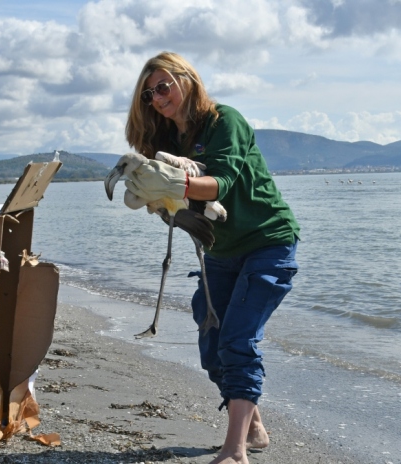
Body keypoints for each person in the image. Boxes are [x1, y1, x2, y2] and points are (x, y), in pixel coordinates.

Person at [123, 52, 300, 464]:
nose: (158, 97)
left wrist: (174, 182)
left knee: (238, 340)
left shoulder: (225, 121)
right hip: (220, 251)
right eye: (149, 94)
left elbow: (219, 184)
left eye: (164, 86)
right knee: (211, 340)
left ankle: (235, 450)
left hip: (267, 242)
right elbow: (178, 199)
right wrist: (161, 202)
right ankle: (253, 426)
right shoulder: (169, 141)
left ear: (187, 79)